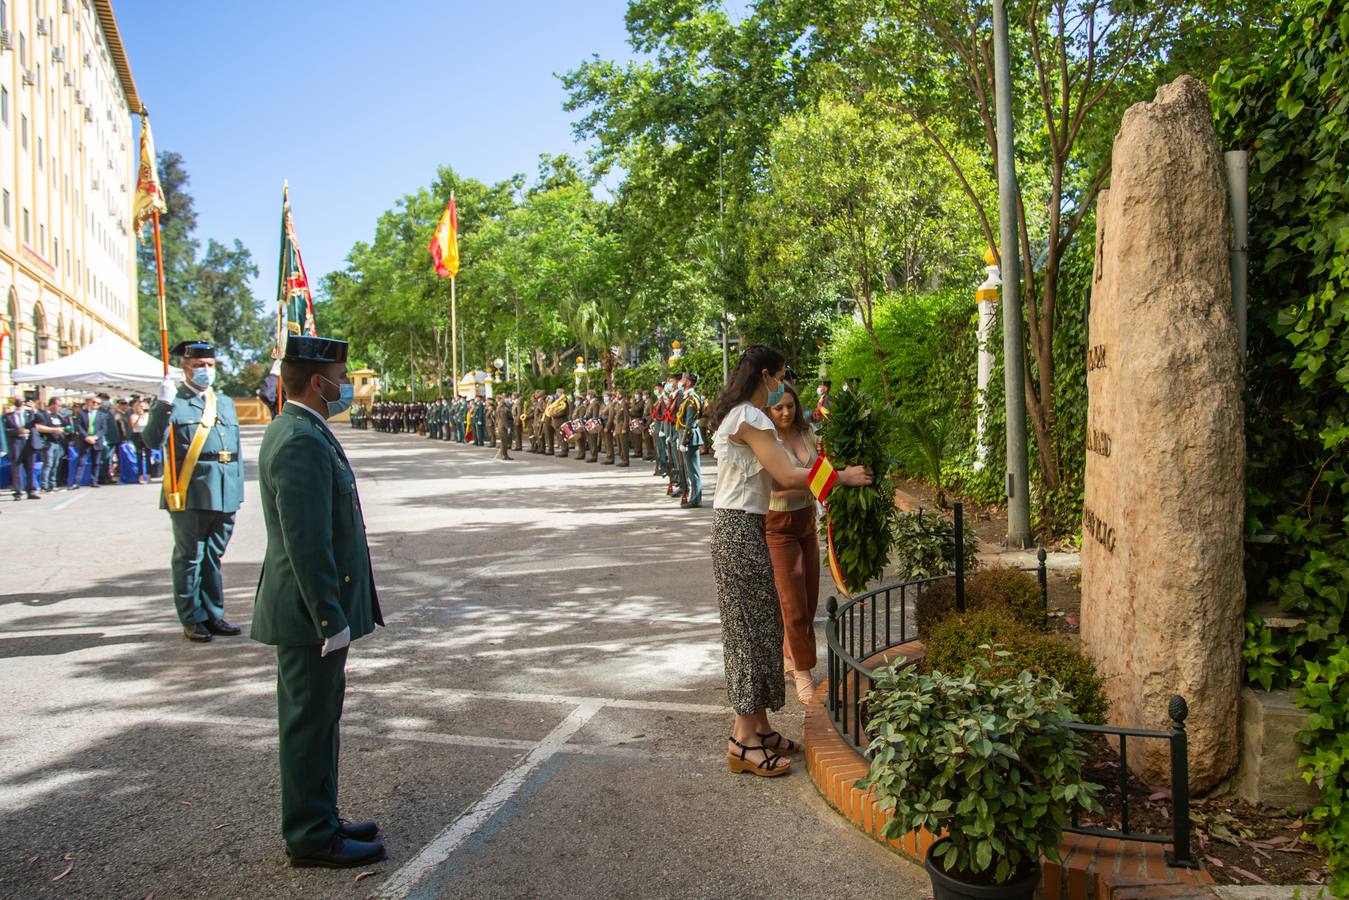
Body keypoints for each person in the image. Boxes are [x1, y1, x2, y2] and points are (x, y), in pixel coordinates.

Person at [252, 334, 385, 869]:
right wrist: (329, 616)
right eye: (341, 372)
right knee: (309, 722)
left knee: (322, 715)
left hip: (310, 610)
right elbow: (307, 542)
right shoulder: (300, 439)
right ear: (317, 381)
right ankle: (310, 836)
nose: (346, 381)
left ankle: (321, 816)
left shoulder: (303, 428)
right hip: (309, 614)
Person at [709, 345, 870, 778]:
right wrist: (840, 476)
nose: (783, 382)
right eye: (780, 375)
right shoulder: (753, 416)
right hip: (741, 528)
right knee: (749, 633)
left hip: (737, 526)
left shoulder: (737, 414)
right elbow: (786, 474)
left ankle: (760, 728)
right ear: (765, 375)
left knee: (761, 627)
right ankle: (743, 741)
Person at [142, 341, 244, 643]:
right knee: (190, 557)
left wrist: (236, 489)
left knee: (214, 555)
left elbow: (235, 448)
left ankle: (213, 614)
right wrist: (163, 405)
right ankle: (192, 617)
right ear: (185, 367)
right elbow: (151, 441)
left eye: (210, 365)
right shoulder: (175, 401)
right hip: (191, 489)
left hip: (225, 489)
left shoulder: (223, 402)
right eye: (200, 365)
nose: (206, 371)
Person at [764, 383, 824, 703]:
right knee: (793, 602)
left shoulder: (809, 433)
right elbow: (776, 486)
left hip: (806, 523)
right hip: (777, 528)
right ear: (769, 411)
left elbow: (822, 469)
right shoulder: (765, 441)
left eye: (789, 406)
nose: (785, 412)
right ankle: (803, 671)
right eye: (779, 408)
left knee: (809, 598)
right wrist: (815, 485)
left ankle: (791, 656)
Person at [4, 396, 43, 500]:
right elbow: (6, 431)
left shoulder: (29, 414)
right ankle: (18, 492)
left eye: (21, 400)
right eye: (17, 400)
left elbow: (41, 419)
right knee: (16, 468)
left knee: (30, 468)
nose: (19, 402)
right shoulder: (8, 416)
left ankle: (31, 491)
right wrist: (18, 431)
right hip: (16, 444)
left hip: (29, 443)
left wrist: (34, 409)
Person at [676, 373, 705, 508]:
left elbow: (690, 423)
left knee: (693, 471)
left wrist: (684, 441)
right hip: (687, 437)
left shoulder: (692, 399)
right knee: (690, 470)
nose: (680, 382)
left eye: (682, 380)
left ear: (688, 382)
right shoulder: (687, 398)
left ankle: (696, 499)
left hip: (690, 438)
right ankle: (694, 497)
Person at [73, 396, 108, 489]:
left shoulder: (102, 415)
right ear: (89, 402)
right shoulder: (81, 413)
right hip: (85, 440)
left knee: (96, 462)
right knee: (81, 462)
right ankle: (76, 482)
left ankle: (94, 481)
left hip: (97, 440)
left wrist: (95, 437)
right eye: (93, 402)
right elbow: (78, 426)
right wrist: (86, 436)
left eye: (98, 403)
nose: (95, 404)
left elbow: (104, 429)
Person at [38, 398, 70, 492]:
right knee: (48, 464)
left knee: (55, 465)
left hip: (57, 442)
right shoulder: (43, 415)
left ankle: (52, 485)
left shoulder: (57, 416)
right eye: (58, 405)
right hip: (47, 442)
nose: (60, 407)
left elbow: (63, 427)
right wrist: (54, 430)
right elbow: (39, 427)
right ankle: (44, 486)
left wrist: (66, 430)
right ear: (52, 404)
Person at [129, 398, 151, 483]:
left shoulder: (149, 415)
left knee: (148, 456)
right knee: (139, 456)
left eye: (144, 407)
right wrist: (140, 417)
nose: (143, 408)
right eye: (141, 407)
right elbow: (133, 425)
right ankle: (140, 476)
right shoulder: (134, 416)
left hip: (146, 435)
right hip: (137, 435)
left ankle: (149, 475)